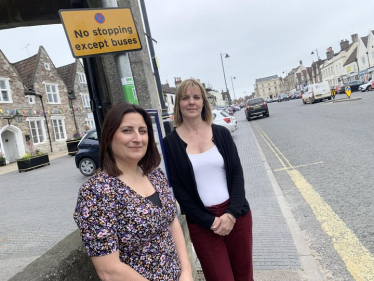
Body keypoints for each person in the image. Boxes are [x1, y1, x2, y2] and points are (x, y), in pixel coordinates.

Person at [74, 103, 193, 281]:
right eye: (127, 130)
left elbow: (172, 222)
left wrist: (186, 272)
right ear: (109, 136)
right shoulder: (96, 192)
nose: (138, 138)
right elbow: (109, 270)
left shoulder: (154, 174)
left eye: (143, 131)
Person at [163, 79, 253, 281]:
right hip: (203, 223)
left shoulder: (221, 133)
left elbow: (237, 174)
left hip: (237, 215)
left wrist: (231, 214)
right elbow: (178, 188)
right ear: (178, 104)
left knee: (244, 277)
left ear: (204, 102)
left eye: (196, 97)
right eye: (185, 98)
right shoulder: (170, 143)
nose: (191, 102)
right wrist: (210, 221)